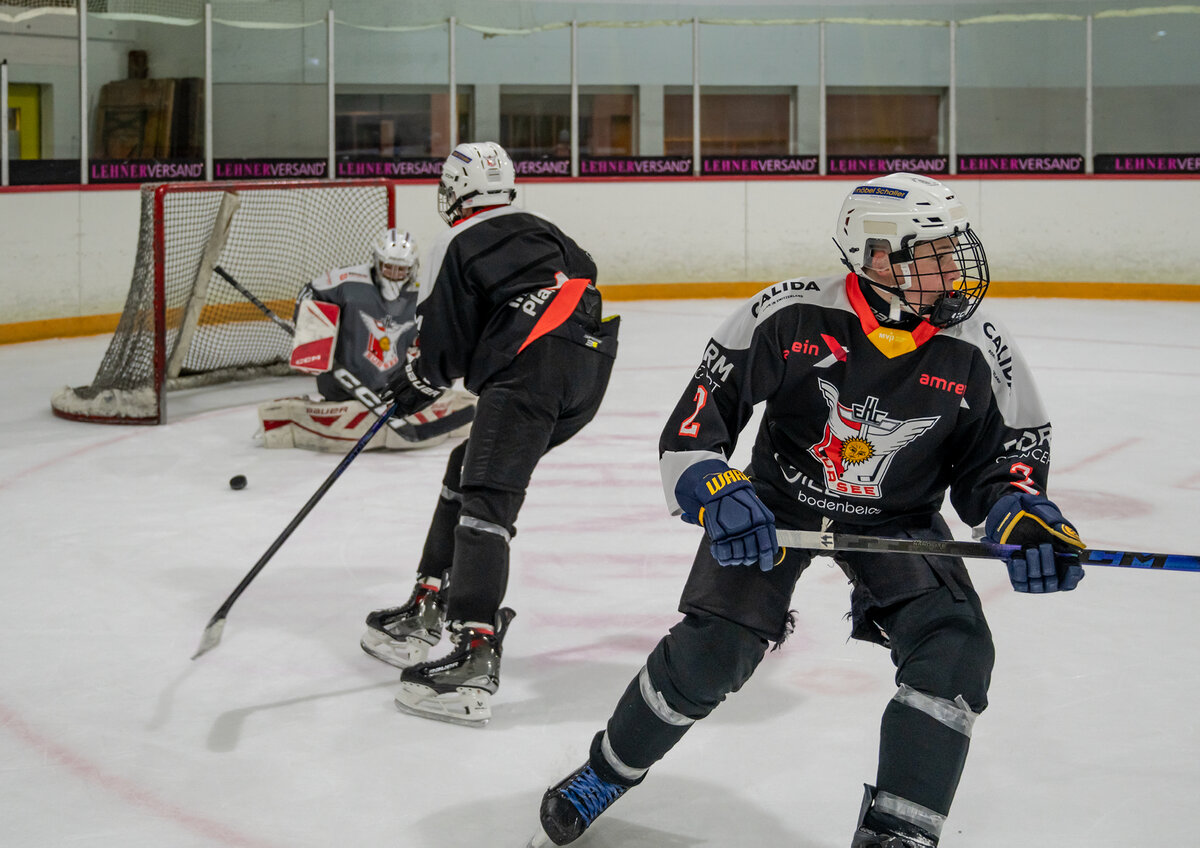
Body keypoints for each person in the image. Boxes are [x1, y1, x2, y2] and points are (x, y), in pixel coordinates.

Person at [528, 172, 1086, 848]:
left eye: (954, 249)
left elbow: (1004, 459)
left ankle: (897, 834)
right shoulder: (789, 313)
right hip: (777, 507)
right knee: (713, 650)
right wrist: (714, 486)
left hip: (899, 522)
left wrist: (1020, 511)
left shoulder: (980, 344)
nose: (954, 269)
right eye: (932, 253)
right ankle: (605, 772)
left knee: (956, 652)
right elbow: (699, 419)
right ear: (875, 257)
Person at [359, 141, 620, 726]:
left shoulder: (456, 239)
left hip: (532, 370)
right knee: (468, 465)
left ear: (454, 191)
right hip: (590, 366)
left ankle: (472, 657)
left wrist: (416, 380)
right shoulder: (543, 225)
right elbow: (583, 273)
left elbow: (442, 342)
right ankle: (430, 601)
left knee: (487, 500)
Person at [257, 228, 475, 452]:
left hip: (393, 386)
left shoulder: (421, 291)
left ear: (412, 268)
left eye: (401, 269)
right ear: (376, 262)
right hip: (342, 386)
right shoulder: (347, 281)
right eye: (388, 267)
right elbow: (310, 292)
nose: (394, 274)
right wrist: (312, 332)